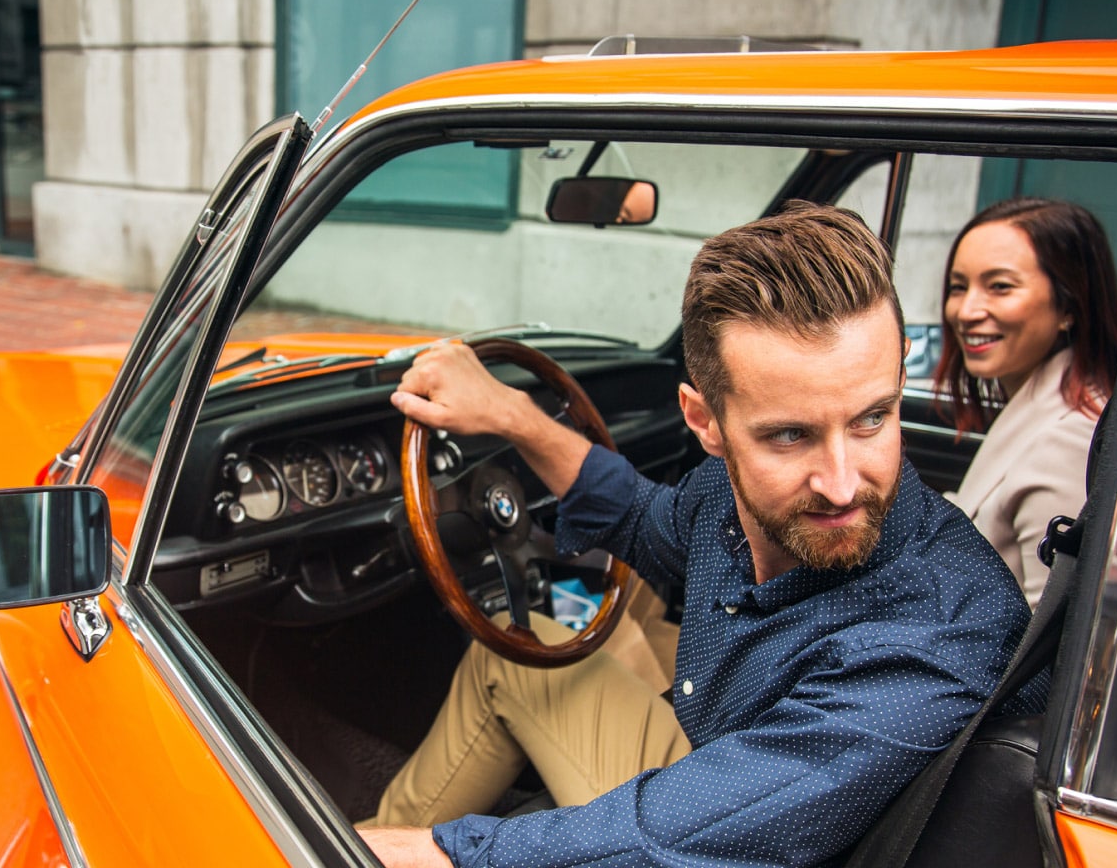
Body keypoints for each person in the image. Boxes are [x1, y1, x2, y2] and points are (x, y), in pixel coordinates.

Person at [359, 201, 1044, 868]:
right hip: (723, 765)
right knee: (511, 655)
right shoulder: (726, 498)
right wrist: (515, 416)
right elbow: (640, 515)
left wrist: (437, 854)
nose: (841, 483)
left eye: (872, 419)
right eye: (789, 435)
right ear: (704, 421)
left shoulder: (934, 633)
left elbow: (667, 838)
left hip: (732, 829)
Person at [936, 197, 1117, 607]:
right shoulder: (1036, 406)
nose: (966, 311)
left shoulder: (1070, 438)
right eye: (958, 287)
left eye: (1000, 287)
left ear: (1068, 307)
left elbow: (1045, 641)